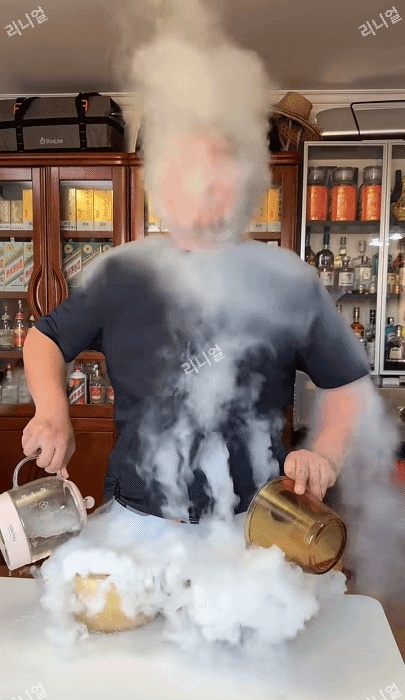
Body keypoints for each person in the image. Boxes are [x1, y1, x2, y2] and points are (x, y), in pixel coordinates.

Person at [22, 130, 371, 524]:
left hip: (253, 517)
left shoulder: (289, 283)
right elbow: (46, 338)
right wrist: (52, 413)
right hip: (138, 515)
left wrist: (324, 455)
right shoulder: (121, 275)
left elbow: (346, 382)